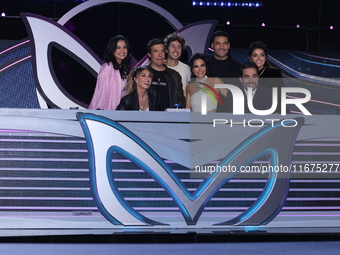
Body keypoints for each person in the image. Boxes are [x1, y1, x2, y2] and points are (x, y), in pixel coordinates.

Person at [88, 35, 132, 110]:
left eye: (125, 47)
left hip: (117, 112)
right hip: (104, 112)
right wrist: (101, 111)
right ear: (112, 49)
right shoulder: (107, 67)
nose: (122, 50)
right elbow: (102, 93)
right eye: (118, 48)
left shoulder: (123, 69)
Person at [146, 38, 186, 111]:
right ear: (149, 54)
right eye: (156, 51)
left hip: (169, 119)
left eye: (162, 51)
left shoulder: (174, 75)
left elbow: (180, 98)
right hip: (147, 118)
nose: (160, 55)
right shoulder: (142, 74)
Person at [248, 41, 284, 112]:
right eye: (255, 55)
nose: (258, 59)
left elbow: (280, 96)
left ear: (265, 57)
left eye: (262, 55)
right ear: (250, 58)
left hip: (271, 110)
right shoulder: (245, 74)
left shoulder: (275, 73)